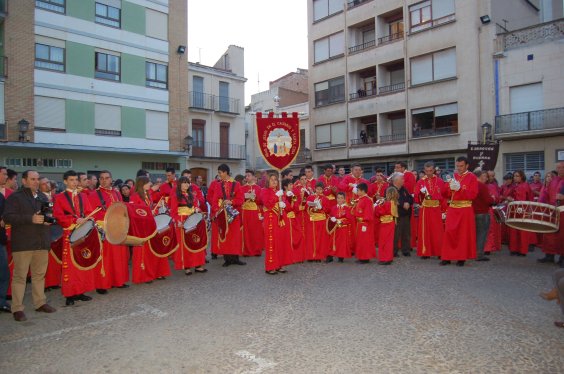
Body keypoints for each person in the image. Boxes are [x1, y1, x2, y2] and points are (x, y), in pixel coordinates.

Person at [4, 170, 57, 321]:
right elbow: (8, 217)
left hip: (41, 242)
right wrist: (30, 218)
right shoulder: (15, 197)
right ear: (24, 181)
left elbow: (48, 214)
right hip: (23, 243)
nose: (36, 181)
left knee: (39, 275)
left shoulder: (42, 196)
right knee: (20, 277)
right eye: (32, 179)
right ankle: (17, 308)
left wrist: (48, 220)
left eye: (37, 179)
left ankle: (40, 303)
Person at [53, 170, 98, 305]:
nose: (74, 183)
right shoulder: (59, 198)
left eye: (76, 180)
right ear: (65, 181)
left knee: (82, 261)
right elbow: (58, 216)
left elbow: (90, 212)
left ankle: (80, 291)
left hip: (83, 233)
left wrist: (88, 219)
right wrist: (74, 220)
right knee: (71, 266)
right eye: (71, 180)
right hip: (69, 233)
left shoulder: (83, 196)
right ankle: (69, 294)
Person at [89, 170, 130, 291]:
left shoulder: (116, 193)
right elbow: (93, 214)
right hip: (104, 229)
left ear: (111, 179)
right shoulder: (94, 194)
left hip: (117, 228)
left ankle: (118, 281)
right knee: (105, 257)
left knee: (119, 256)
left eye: (107, 178)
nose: (104, 180)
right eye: (101, 178)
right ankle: (102, 284)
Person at [129, 176, 171, 283]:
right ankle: (144, 275)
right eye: (148, 183)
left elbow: (150, 208)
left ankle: (156, 272)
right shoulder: (135, 196)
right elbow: (134, 212)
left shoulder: (148, 195)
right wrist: (149, 212)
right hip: (142, 227)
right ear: (142, 184)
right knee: (144, 252)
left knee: (154, 249)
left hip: (151, 224)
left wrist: (157, 207)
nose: (150, 184)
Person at [440, 157, 478, 266]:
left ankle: (461, 258)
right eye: (458, 166)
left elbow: (473, 195)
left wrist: (460, 189)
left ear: (467, 166)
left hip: (465, 208)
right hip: (452, 208)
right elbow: (445, 194)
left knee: (462, 234)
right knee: (449, 232)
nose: (459, 168)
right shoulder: (454, 176)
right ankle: (447, 257)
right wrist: (447, 186)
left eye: (461, 166)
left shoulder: (472, 177)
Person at [208, 164, 246, 267]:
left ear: (225, 172)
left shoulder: (237, 184)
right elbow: (215, 200)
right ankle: (227, 259)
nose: (219, 175)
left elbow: (241, 199)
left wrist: (231, 202)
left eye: (220, 173)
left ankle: (236, 258)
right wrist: (216, 210)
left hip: (234, 213)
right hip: (223, 213)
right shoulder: (218, 185)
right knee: (225, 235)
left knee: (235, 236)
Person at [170, 176, 207, 276]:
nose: (186, 184)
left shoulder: (192, 195)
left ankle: (198, 265)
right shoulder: (175, 196)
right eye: (184, 182)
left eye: (188, 183)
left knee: (195, 242)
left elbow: (196, 207)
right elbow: (173, 212)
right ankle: (186, 266)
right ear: (179, 184)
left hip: (193, 220)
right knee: (185, 245)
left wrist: (198, 210)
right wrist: (178, 221)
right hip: (182, 222)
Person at [414, 162, 446, 259]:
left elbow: (444, 196)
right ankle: (425, 252)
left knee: (437, 231)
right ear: (424, 170)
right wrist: (421, 194)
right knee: (425, 231)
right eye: (426, 171)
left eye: (430, 171)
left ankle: (439, 251)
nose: (428, 173)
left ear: (434, 170)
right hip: (425, 209)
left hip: (436, 208)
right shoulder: (420, 182)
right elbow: (416, 198)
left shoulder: (440, 181)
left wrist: (444, 210)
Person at [261, 174, 292, 274]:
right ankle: (270, 266)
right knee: (272, 243)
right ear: (267, 181)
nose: (274, 181)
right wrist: (276, 196)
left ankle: (279, 264)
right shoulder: (264, 191)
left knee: (280, 242)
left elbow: (286, 205)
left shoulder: (279, 191)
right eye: (272, 179)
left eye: (275, 180)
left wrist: (284, 203)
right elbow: (267, 204)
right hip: (270, 220)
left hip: (280, 220)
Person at [539, 162, 564, 266]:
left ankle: (562, 258)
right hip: (551, 210)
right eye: (558, 168)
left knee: (562, 236)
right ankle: (549, 255)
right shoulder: (554, 181)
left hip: (562, 211)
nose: (559, 170)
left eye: (561, 168)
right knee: (549, 234)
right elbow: (546, 194)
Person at [507, 170, 537, 257]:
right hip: (516, 210)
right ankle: (514, 249)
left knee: (522, 232)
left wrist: (512, 200)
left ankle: (522, 250)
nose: (515, 178)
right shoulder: (516, 186)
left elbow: (523, 200)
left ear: (522, 177)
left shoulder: (524, 186)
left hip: (522, 210)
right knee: (514, 231)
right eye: (514, 176)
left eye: (517, 176)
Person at [350, 183, 376, 263]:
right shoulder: (361, 199)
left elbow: (368, 213)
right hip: (359, 222)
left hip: (364, 223)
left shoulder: (367, 200)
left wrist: (365, 222)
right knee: (360, 241)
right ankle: (361, 256)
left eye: (358, 190)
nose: (357, 192)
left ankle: (365, 258)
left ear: (363, 191)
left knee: (365, 241)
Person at [240, 170, 264, 257]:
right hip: (245, 211)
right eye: (246, 176)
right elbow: (240, 199)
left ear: (253, 177)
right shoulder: (242, 188)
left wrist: (255, 197)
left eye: (248, 175)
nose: (247, 177)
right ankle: (246, 250)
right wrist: (245, 197)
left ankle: (256, 250)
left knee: (256, 231)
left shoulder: (258, 188)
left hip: (255, 211)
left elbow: (261, 201)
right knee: (246, 231)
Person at [305, 182, 330, 262]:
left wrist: (321, 207)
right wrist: (311, 206)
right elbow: (306, 208)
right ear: (315, 189)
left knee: (320, 239)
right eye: (317, 189)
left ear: (323, 190)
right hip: (312, 220)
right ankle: (311, 256)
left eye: (320, 189)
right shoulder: (310, 197)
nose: (319, 191)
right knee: (311, 238)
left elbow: (328, 210)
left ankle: (319, 256)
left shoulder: (325, 198)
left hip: (321, 220)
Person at [391, 172, 413, 257]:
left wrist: (408, 202)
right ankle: (394, 251)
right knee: (395, 234)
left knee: (406, 233)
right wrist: (403, 204)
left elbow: (410, 198)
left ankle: (406, 250)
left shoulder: (404, 189)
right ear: (396, 180)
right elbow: (392, 200)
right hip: (397, 215)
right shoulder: (391, 189)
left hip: (405, 215)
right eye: (402, 178)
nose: (404, 180)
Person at [375, 187, 399, 265]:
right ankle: (389, 257)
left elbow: (380, 212)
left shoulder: (387, 203)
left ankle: (385, 258)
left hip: (385, 223)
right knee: (389, 241)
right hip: (391, 222)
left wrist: (378, 206)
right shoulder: (394, 202)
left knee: (384, 241)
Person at [474, 170, 495, 262]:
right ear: (480, 176)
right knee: (482, 235)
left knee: (474, 234)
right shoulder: (482, 186)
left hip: (472, 213)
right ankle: (479, 254)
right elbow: (488, 200)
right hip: (482, 212)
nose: (487, 178)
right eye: (485, 176)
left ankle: (472, 253)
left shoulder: (472, 185)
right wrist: (493, 199)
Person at [327, 192, 352, 263]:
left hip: (343, 228)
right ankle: (330, 256)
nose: (340, 199)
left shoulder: (347, 208)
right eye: (338, 198)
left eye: (341, 198)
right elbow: (331, 216)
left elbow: (348, 219)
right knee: (332, 242)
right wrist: (331, 219)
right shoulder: (334, 208)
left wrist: (341, 221)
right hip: (335, 228)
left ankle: (341, 256)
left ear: (344, 199)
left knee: (341, 243)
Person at [0, 191, 11, 313]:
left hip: (0, 240)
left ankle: (1, 302)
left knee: (3, 274)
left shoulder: (1, 197)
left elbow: (6, 215)